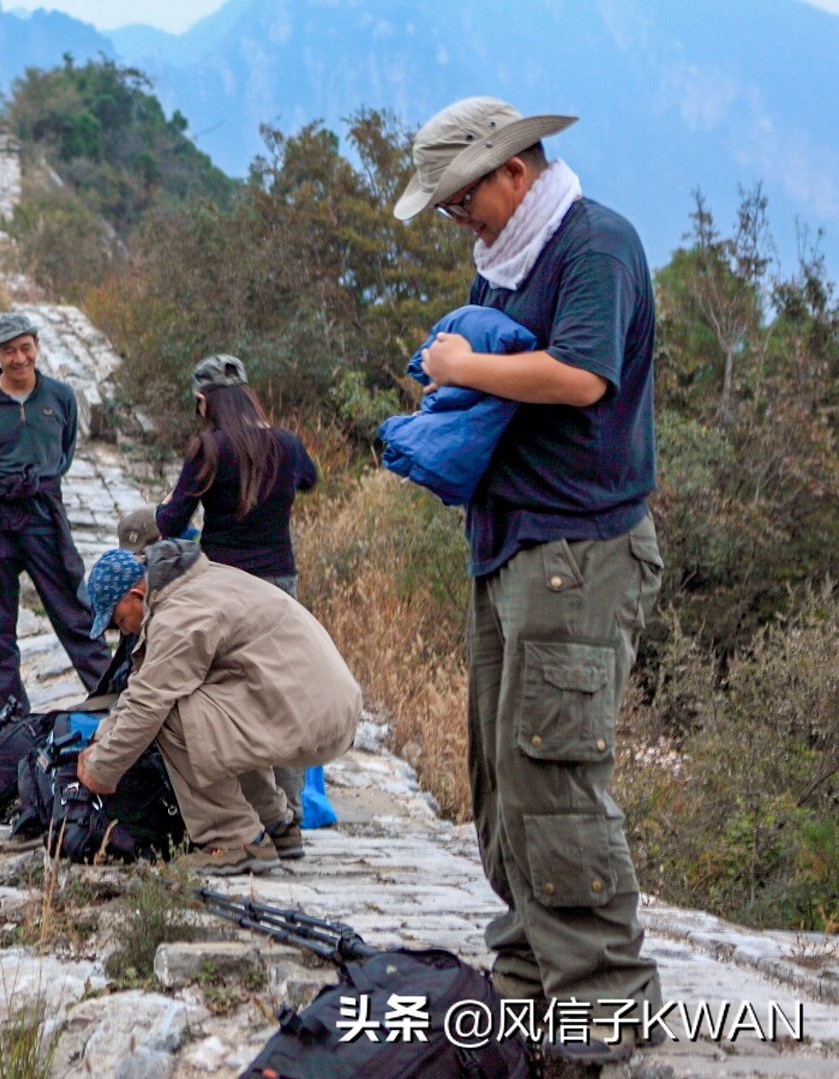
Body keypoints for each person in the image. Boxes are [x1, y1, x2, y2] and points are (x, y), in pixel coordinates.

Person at [394, 96, 663, 1064]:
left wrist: (466, 362)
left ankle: (606, 999)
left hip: (579, 549)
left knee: (555, 769)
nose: (456, 219)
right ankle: (527, 969)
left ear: (512, 169)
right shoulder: (510, 261)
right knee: (501, 772)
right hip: (513, 542)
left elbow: (582, 376)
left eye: (460, 199)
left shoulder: (594, 244)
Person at [75, 540, 360, 874]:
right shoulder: (193, 583)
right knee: (210, 708)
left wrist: (102, 771)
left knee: (174, 713)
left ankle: (233, 838)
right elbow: (143, 686)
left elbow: (149, 704)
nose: (123, 630)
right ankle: (274, 826)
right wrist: (101, 739)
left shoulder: (178, 615)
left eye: (120, 621)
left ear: (136, 596)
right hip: (323, 707)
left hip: (311, 715)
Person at [154, 353, 320, 839]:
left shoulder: (209, 449)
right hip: (281, 588)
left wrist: (171, 500)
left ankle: (251, 817)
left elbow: (171, 525)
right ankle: (290, 812)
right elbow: (310, 480)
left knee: (229, 701)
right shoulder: (286, 444)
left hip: (225, 587)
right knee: (280, 696)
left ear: (203, 401)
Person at [0, 312, 109, 716]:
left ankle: (111, 694)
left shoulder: (60, 397)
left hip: (42, 513)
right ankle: (10, 712)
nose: (18, 358)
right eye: (8, 350)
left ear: (36, 345)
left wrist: (37, 483)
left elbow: (64, 454)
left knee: (74, 608)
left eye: (25, 347)